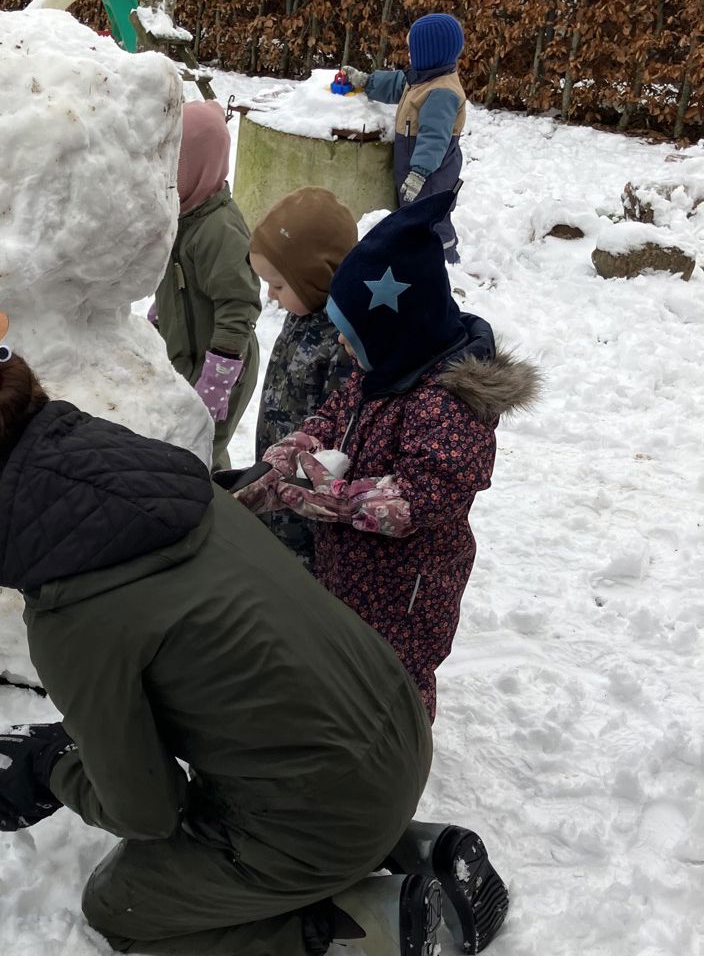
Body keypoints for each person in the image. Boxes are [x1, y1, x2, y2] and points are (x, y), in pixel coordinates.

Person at [0, 316, 508, 956]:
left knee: (121, 906)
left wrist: (55, 768)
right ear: (46, 406)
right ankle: (417, 847)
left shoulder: (70, 605)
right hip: (398, 727)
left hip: (336, 810)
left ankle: (368, 922)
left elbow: (149, 812)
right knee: (275, 765)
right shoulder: (183, 489)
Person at [236, 190, 539, 725]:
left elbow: (416, 500)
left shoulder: (447, 406)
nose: (346, 352)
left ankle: (400, 765)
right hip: (351, 576)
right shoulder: (380, 372)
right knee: (351, 672)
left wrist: (326, 499)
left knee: (396, 686)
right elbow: (328, 419)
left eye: (355, 341)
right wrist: (282, 461)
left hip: (408, 594)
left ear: (399, 331)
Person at [248, 187, 358, 568]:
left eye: (278, 284)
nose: (270, 295)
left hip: (307, 499)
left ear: (315, 277)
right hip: (278, 479)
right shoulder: (303, 314)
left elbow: (340, 436)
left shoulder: (342, 342)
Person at [151, 100, 261, 469]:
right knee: (193, 445)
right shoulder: (185, 215)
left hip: (224, 364)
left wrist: (217, 382)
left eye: (174, 168)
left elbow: (238, 308)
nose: (166, 177)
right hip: (189, 356)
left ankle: (216, 515)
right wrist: (157, 320)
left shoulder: (218, 230)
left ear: (200, 167)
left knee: (198, 452)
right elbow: (174, 283)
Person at [342, 13, 467, 263]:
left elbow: (434, 138)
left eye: (413, 50)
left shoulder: (441, 92)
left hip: (432, 172)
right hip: (417, 164)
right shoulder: (424, 78)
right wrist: (367, 82)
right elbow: (397, 83)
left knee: (432, 215)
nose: (409, 55)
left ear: (430, 53)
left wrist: (419, 172)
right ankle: (415, 254)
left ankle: (445, 259)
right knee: (413, 214)